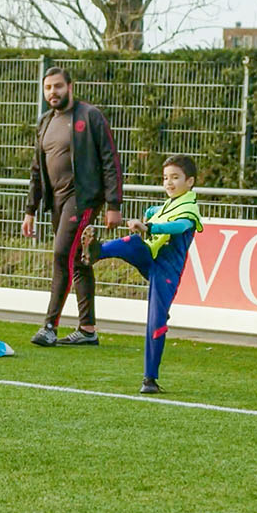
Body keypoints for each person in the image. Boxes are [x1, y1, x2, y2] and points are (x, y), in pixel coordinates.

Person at [22, 67, 122, 347]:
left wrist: (113, 203)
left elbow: (110, 160)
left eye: (58, 86)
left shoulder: (90, 116)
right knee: (78, 263)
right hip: (57, 201)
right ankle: (87, 329)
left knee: (61, 255)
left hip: (83, 199)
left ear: (70, 86)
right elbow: (36, 170)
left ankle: (49, 326)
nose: (53, 92)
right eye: (48, 88)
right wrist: (31, 210)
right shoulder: (44, 122)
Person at [88, 154, 204, 395]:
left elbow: (179, 226)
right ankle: (95, 252)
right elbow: (155, 211)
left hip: (166, 272)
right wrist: (149, 213)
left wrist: (149, 226)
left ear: (190, 182)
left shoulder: (190, 208)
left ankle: (149, 379)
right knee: (132, 243)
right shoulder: (168, 204)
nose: (169, 183)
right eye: (165, 178)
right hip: (150, 258)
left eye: (175, 178)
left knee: (156, 322)